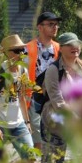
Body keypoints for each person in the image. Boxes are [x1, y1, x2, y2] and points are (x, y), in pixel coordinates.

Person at [41, 32, 82, 163]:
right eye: (70, 45)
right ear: (62, 48)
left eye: (77, 44)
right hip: (56, 122)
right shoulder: (53, 70)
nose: (75, 47)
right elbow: (57, 100)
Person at [0, 34, 38, 163]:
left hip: (18, 124)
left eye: (23, 50)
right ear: (8, 53)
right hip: (0, 124)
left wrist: (27, 122)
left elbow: (21, 98)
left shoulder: (22, 70)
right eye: (18, 50)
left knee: (32, 159)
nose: (22, 54)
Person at [25, 11, 61, 150]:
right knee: (37, 135)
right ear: (40, 27)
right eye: (51, 24)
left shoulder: (59, 48)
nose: (55, 27)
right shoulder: (27, 48)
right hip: (33, 97)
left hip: (52, 96)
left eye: (56, 24)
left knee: (54, 131)